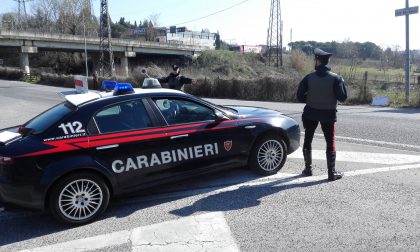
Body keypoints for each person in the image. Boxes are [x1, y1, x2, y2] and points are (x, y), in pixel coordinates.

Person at [296, 48, 348, 181]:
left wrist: (311, 97)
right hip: (328, 115)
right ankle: (331, 173)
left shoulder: (309, 77)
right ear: (327, 61)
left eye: (315, 59)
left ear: (318, 61)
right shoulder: (336, 78)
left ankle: (308, 169)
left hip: (310, 113)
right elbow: (342, 97)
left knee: (308, 139)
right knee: (330, 142)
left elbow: (300, 97)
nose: (314, 61)